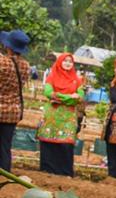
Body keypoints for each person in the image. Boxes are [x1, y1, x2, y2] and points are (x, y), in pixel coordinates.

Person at [37, 52, 83, 176]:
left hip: (68, 117)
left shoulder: (77, 80)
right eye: (65, 61)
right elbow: (48, 93)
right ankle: (47, 169)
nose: (68, 63)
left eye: (70, 61)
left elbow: (80, 97)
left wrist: (59, 97)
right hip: (52, 116)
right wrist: (69, 98)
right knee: (48, 142)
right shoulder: (51, 77)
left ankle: (64, 172)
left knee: (66, 143)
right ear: (59, 62)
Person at [0, 29, 32, 174]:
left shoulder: (2, 62)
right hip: (13, 112)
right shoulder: (26, 66)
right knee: (5, 146)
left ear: (8, 47)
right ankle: (4, 173)